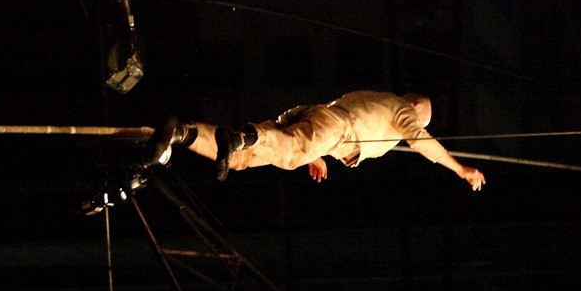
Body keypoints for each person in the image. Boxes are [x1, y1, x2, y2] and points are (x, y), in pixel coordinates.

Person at [145, 90, 486, 190]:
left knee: (241, 160)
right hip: (335, 127)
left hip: (320, 121)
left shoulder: (372, 99)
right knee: (291, 155)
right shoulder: (401, 110)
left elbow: (317, 118)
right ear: (413, 106)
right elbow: (422, 141)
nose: (412, 126)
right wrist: (460, 170)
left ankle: (180, 132)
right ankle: (240, 135)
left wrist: (317, 153)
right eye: (418, 119)